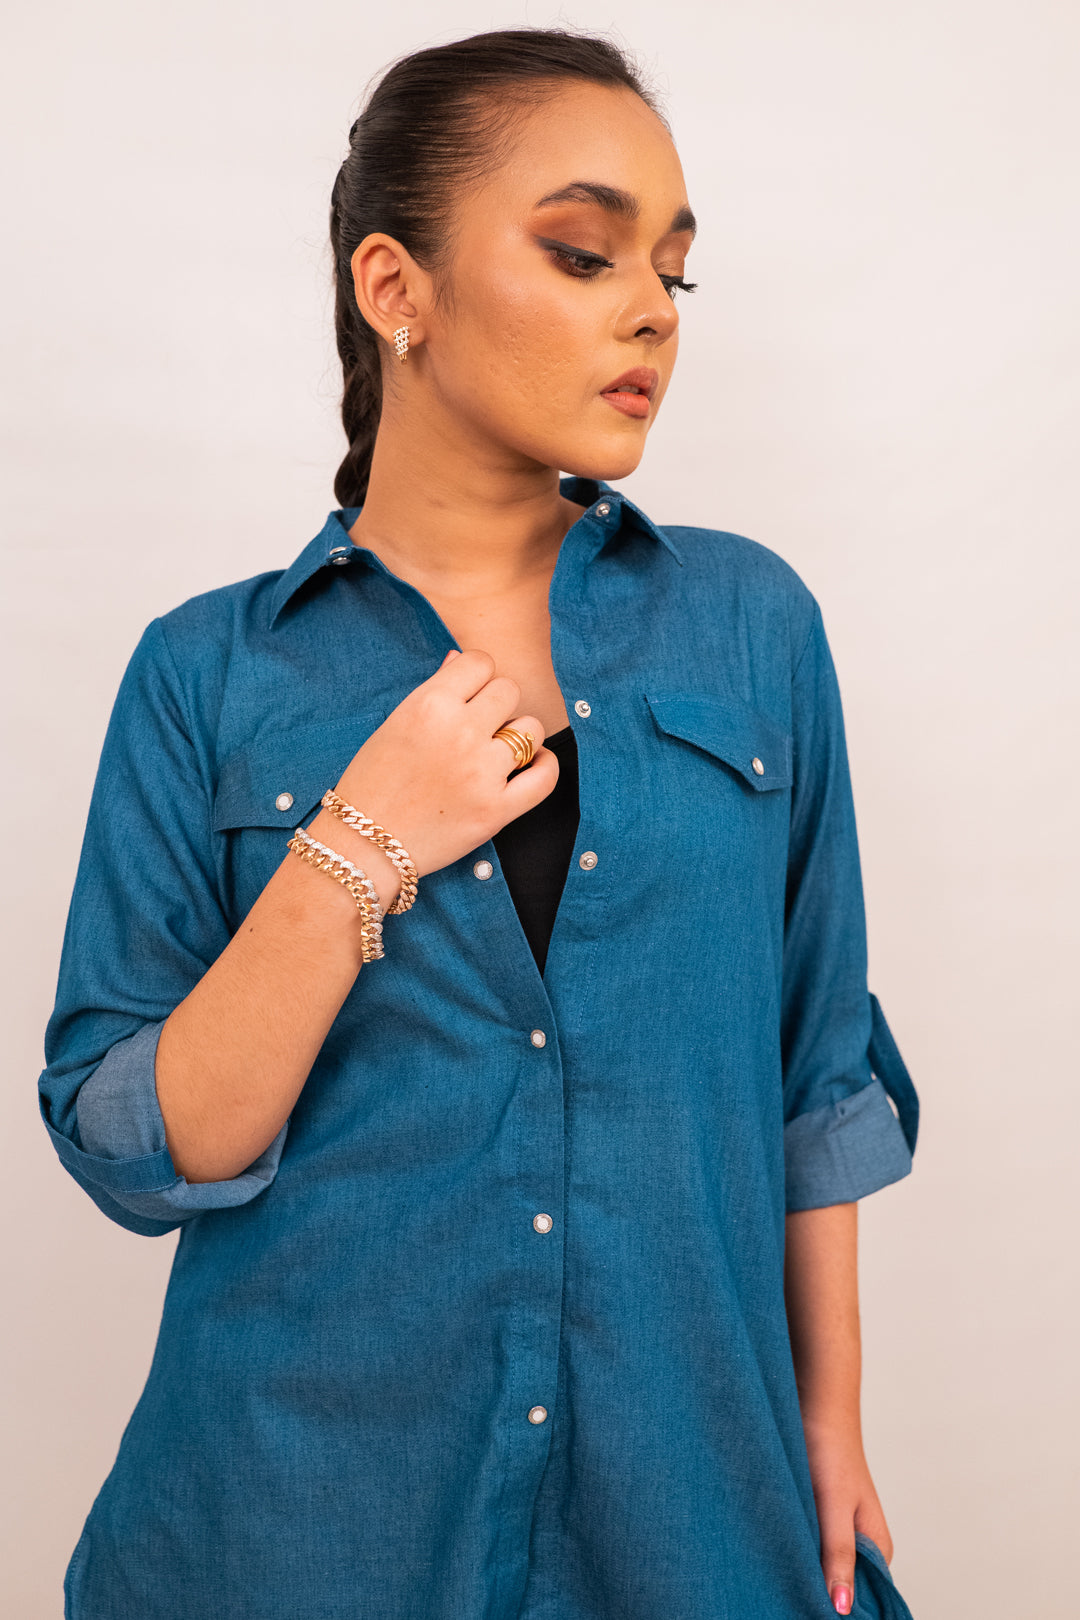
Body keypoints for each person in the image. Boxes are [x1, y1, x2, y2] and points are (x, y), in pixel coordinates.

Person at [38, 26, 920, 1620]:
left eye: (673, 269)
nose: (653, 308)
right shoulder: (208, 673)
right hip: (294, 1529)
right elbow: (140, 1149)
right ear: (397, 288)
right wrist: (357, 842)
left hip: (688, 1510)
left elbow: (817, 1071)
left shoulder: (748, 629)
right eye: (584, 254)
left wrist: (828, 1419)